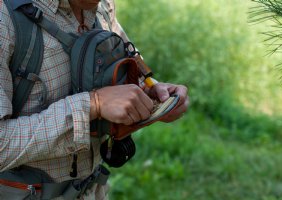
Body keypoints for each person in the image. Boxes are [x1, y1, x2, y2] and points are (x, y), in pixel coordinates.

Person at [0, 0, 189, 199]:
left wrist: (150, 92)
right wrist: (92, 105)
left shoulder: (102, 6)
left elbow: (123, 54)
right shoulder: (6, 17)